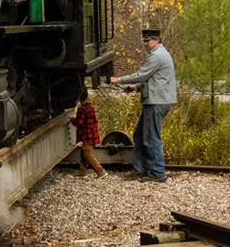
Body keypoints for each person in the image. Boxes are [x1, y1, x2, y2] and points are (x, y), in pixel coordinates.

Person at [115, 28, 177, 183]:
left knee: (151, 138)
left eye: (147, 41)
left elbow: (141, 75)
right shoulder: (160, 54)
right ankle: (141, 169)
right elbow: (151, 80)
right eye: (144, 41)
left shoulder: (157, 56)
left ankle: (157, 172)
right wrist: (135, 87)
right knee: (140, 135)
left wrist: (118, 80)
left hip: (156, 102)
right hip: (155, 101)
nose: (145, 44)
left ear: (156, 40)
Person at [68, 88, 106, 178]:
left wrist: (72, 119)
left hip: (87, 136)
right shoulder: (90, 108)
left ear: (80, 100)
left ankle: (101, 171)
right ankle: (83, 172)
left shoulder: (82, 110)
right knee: (83, 153)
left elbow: (78, 123)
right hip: (93, 135)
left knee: (87, 154)